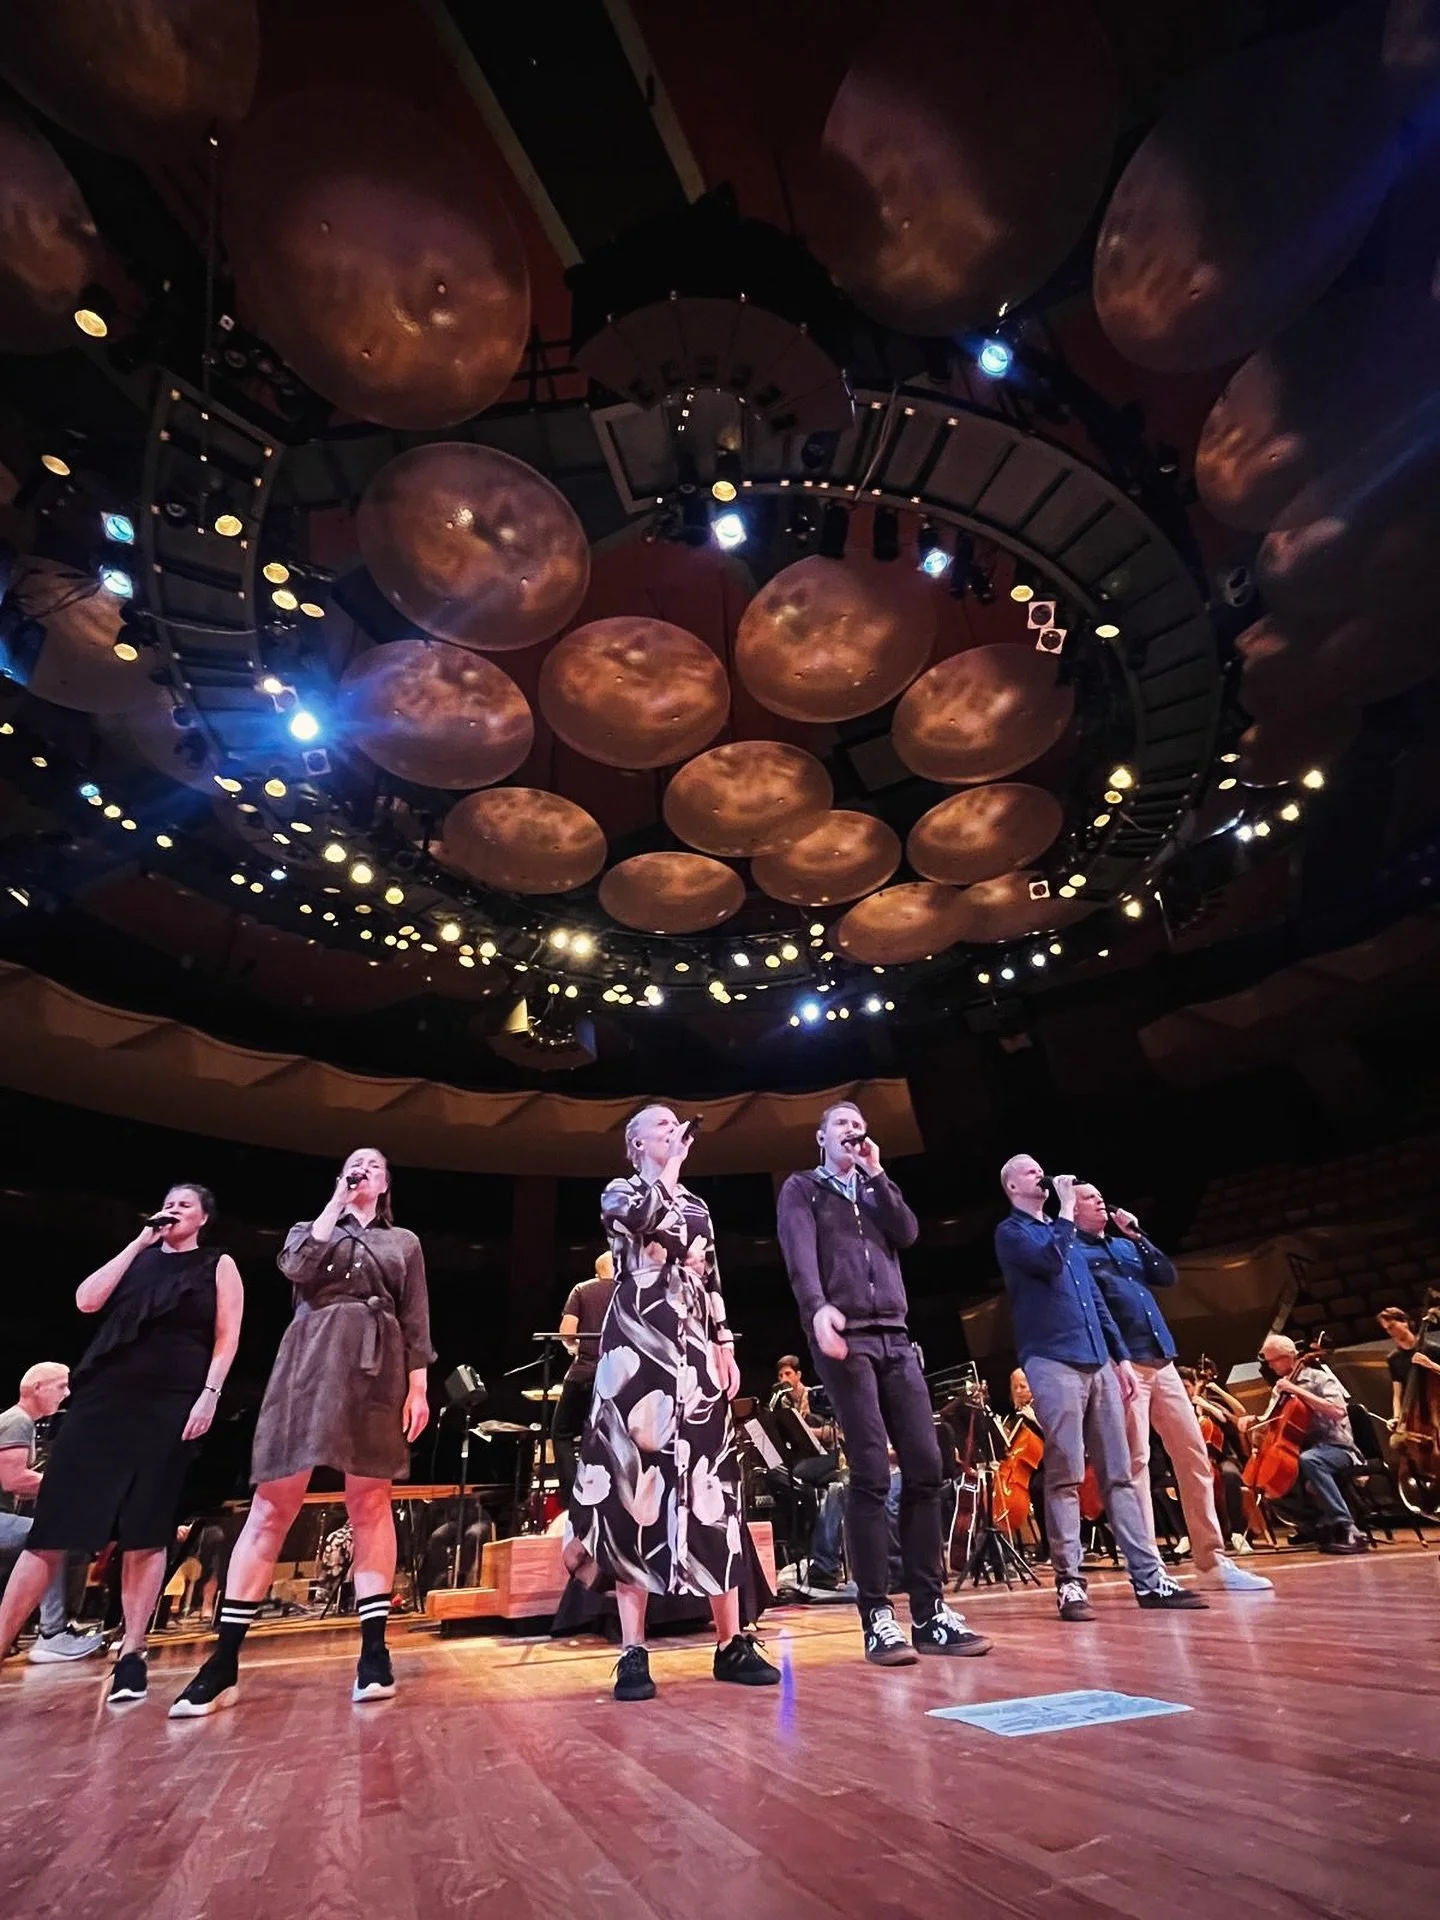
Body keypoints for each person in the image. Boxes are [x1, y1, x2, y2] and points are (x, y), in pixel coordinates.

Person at [170, 1147, 433, 1717]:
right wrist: (335, 1202)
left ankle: (373, 1653)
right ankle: (223, 1661)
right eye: (353, 1165)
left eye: (375, 1166)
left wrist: (418, 1388)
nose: (363, 1171)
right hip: (309, 1365)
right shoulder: (308, 1228)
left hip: (377, 1368)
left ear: (387, 1183)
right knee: (272, 1505)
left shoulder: (403, 1242)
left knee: (369, 1502)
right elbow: (295, 1267)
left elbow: (415, 1320)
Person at [564, 1105, 779, 1701]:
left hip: (693, 1353)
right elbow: (645, 1221)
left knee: (713, 1488)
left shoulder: (698, 1206)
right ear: (634, 1143)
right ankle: (633, 1651)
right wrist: (670, 1169)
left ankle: (731, 1642)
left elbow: (709, 1277)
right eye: (658, 1127)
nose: (671, 1132)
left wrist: (725, 1343)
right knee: (635, 1489)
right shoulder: (620, 1191)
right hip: (636, 1346)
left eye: (673, 1127)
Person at [0, 1186, 243, 1703]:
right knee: (53, 1526)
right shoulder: (139, 1256)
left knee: (145, 1527)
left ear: (203, 1217)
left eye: (184, 1205)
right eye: (168, 1202)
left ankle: (132, 1653)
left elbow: (227, 1336)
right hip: (103, 1398)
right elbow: (87, 1300)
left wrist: (209, 1395)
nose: (172, 1210)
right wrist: (138, 1243)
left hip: (170, 1401)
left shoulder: (217, 1263)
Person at [778, 1100, 990, 1664]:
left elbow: (909, 1232)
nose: (853, 1130)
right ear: (819, 1137)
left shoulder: (874, 1188)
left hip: (897, 1337)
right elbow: (799, 1256)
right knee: (871, 1472)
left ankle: (929, 1613)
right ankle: (876, 1616)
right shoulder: (804, 1188)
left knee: (925, 1466)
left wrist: (878, 1173)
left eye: (858, 1123)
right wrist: (817, 1308)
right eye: (842, 1123)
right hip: (846, 1339)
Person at [995, 1155, 1206, 1621]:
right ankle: (1070, 1584)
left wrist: (1121, 1358)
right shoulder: (1013, 1233)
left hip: (1099, 1360)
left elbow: (1094, 1302)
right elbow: (1048, 1264)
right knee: (1066, 1471)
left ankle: (1150, 1580)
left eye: (1039, 1169)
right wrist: (1068, 1210)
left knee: (1121, 1473)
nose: (1040, 1174)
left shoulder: (1061, 1229)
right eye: (1030, 1171)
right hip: (1051, 1358)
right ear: (1013, 1186)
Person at [1072, 1183, 1271, 1596]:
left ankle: (1212, 1560)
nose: (1101, 1201)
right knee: (1137, 1464)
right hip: (1125, 1365)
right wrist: (1118, 1360)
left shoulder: (1124, 1246)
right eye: (1090, 1198)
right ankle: (1150, 1568)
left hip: (1163, 1361)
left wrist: (1137, 1236)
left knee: (1195, 1455)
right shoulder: (1075, 1252)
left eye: (1100, 1196)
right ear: (1072, 1210)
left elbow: (1165, 1274)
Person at [0, 1364, 106, 1663]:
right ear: (37, 1388)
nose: (67, 1393)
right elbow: (14, 1479)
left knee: (58, 1537)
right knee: (50, 1536)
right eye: (61, 1386)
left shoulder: (20, 1423)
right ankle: (51, 1633)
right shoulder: (17, 1421)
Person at [1252, 1334, 1367, 1552]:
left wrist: (1296, 1390)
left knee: (1311, 1461)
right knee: (1268, 1482)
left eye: (1272, 1360)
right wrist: (1255, 1424)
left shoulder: (1319, 1379)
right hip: (1299, 1450)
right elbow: (1271, 1420)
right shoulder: (1280, 1388)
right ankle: (1318, 1525)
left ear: (1289, 1357)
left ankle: (1348, 1528)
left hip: (1337, 1448)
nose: (1269, 1366)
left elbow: (1337, 1411)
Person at [553, 1252, 617, 1502]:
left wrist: (574, 1346)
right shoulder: (629, 1292)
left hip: (584, 1373)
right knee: (613, 1435)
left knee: (561, 1434)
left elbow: (566, 1333)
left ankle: (572, 1497)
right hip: (617, 1378)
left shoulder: (582, 1289)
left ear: (596, 1271)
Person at [1377, 1306, 1440, 1429]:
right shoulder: (1393, 1359)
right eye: (1387, 1329)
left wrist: (1430, 1365)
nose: (1390, 1331)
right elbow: (1397, 1394)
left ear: (1404, 1322)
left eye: (1392, 1325)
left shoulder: (1432, 1349)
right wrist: (1396, 1418)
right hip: (1417, 1414)